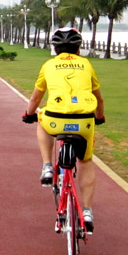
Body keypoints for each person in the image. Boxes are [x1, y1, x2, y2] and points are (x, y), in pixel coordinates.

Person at [22, 28, 105, 232]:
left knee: (42, 120)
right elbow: (99, 98)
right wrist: (100, 117)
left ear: (55, 48)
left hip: (55, 120)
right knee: (85, 162)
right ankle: (86, 212)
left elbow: (35, 98)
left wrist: (28, 114)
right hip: (84, 121)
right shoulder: (86, 64)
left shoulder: (49, 65)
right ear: (78, 48)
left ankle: (47, 166)